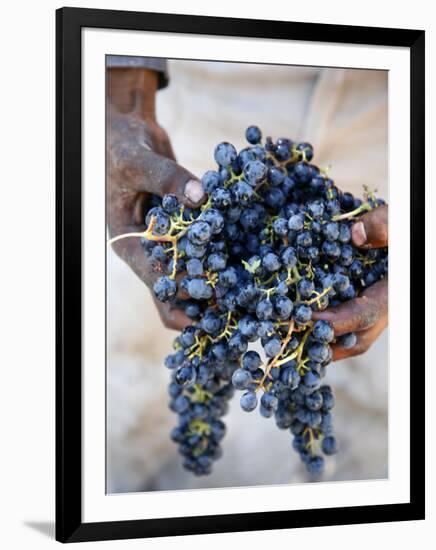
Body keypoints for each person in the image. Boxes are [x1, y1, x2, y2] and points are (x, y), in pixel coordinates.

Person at [106, 56, 388, 492]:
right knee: (137, 370)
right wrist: (123, 97)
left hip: (392, 143)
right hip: (204, 118)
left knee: (373, 409)